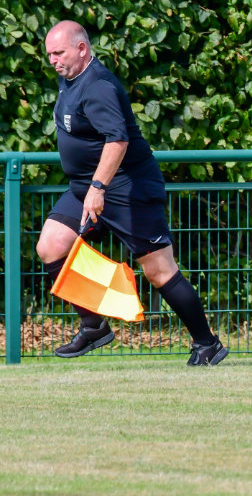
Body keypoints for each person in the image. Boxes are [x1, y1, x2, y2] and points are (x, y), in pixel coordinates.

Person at [38, 20, 228, 366]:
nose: (53, 60)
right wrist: (90, 187)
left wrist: (98, 188)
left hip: (126, 189)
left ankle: (207, 343)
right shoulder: (69, 79)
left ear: (82, 48)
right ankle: (94, 326)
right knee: (51, 246)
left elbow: (118, 139)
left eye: (59, 53)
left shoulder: (98, 86)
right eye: (49, 54)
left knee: (160, 271)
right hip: (85, 187)